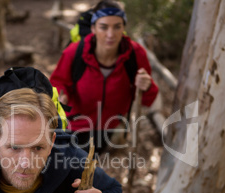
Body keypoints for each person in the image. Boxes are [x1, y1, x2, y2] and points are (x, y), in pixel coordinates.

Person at [50, 0, 159, 154]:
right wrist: (62, 95)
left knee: (94, 167)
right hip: (75, 127)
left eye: (117, 27)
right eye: (103, 27)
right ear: (93, 28)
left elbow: (148, 99)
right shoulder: (74, 52)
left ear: (123, 28)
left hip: (110, 128)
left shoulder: (135, 54)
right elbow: (56, 82)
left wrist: (147, 86)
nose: (110, 34)